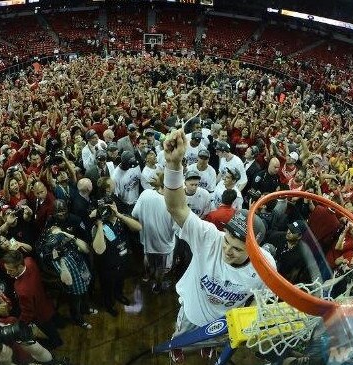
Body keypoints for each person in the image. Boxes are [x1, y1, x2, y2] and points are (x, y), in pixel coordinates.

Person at [162, 129, 276, 363]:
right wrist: (174, 165)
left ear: (254, 250)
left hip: (223, 321)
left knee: (217, 339)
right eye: (227, 241)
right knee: (180, 335)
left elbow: (260, 298)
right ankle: (177, 347)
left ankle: (207, 346)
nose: (227, 250)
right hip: (192, 311)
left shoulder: (266, 265)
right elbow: (176, 208)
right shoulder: (209, 237)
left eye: (237, 249)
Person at [2, 250, 63, 349]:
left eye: (11, 270)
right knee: (55, 319)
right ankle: (61, 325)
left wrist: (21, 323)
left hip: (40, 314)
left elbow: (28, 312)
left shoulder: (20, 288)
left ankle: (57, 343)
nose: (8, 273)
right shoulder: (29, 261)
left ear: (20, 266)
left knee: (50, 330)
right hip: (46, 300)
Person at [92, 197, 142, 317]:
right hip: (107, 265)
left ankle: (119, 295)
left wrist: (119, 215)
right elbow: (98, 250)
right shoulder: (99, 226)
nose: (108, 209)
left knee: (120, 281)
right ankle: (109, 305)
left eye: (111, 205)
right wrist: (99, 225)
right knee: (107, 287)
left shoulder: (122, 218)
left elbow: (138, 227)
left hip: (123, 260)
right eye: (105, 207)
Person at [132, 172, 175, 293]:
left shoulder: (146, 194)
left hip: (146, 240)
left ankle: (147, 276)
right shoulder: (173, 204)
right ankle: (158, 286)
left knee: (148, 258)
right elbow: (178, 229)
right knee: (160, 269)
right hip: (164, 246)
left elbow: (134, 214)